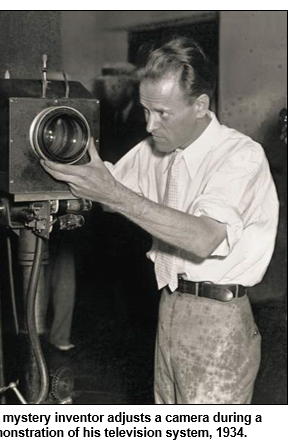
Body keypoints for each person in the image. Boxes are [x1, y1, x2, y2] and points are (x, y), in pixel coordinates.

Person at [41, 37, 279, 404]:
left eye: (162, 113)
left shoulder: (240, 156)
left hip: (218, 318)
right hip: (169, 306)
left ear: (200, 105)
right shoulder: (156, 148)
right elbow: (110, 188)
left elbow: (204, 237)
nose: (150, 125)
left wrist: (113, 194)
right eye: (145, 110)